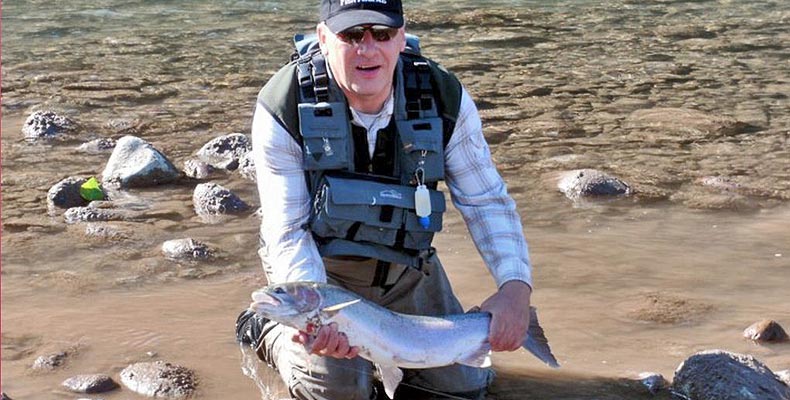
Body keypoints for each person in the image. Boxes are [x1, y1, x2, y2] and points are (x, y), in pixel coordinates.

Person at [236, 0, 533, 398]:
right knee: (340, 394)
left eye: (382, 33)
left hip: (410, 271)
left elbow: (486, 203)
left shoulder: (444, 97)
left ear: (401, 38)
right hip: (325, 277)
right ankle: (271, 329)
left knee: (464, 387)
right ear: (324, 38)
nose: (368, 48)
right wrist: (317, 313)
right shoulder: (284, 105)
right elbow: (286, 230)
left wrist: (515, 288)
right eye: (352, 35)